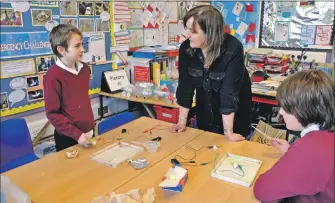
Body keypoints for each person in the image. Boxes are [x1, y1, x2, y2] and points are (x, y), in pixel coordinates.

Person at [169, 5, 252, 141]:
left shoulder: (232, 49)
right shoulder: (186, 48)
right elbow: (185, 87)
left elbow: (229, 95)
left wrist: (228, 133)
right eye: (187, 30)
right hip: (206, 114)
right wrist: (181, 122)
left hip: (234, 118)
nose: (187, 35)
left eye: (194, 32)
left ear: (210, 33)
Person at [254, 70, 334, 202]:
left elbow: (263, 190)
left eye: (286, 107)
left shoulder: (311, 147)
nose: (280, 112)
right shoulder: (325, 136)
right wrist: (291, 153)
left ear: (304, 108)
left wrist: (296, 155)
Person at [44, 24, 94, 151]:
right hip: (68, 138)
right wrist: (77, 135)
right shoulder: (53, 76)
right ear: (61, 50)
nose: (82, 49)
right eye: (77, 46)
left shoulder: (84, 69)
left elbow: (81, 101)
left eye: (82, 44)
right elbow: (53, 113)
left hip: (89, 132)